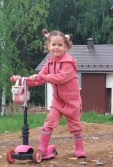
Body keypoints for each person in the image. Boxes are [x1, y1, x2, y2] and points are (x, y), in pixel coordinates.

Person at [11, 29, 86, 158]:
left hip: (71, 102)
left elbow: (59, 78)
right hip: (57, 102)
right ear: (48, 46)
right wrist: (24, 80)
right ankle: (42, 148)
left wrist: (40, 76)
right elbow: (39, 79)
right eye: (53, 45)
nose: (56, 47)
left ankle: (79, 149)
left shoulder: (69, 63)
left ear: (66, 47)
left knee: (75, 126)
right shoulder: (49, 62)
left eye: (60, 45)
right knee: (49, 123)